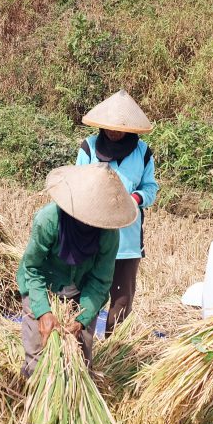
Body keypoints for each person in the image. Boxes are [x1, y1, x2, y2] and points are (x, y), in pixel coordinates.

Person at [17, 162, 138, 377]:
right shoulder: (48, 220)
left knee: (80, 360)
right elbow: (32, 268)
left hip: (82, 292)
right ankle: (34, 397)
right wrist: (43, 311)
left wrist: (82, 319)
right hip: (44, 287)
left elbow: (101, 281)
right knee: (37, 355)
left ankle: (75, 402)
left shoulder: (108, 233)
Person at [76, 89, 158, 336]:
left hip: (127, 241)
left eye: (119, 128)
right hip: (92, 237)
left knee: (122, 300)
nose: (113, 132)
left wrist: (134, 197)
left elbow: (151, 188)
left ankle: (113, 354)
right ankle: (82, 351)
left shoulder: (143, 153)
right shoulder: (89, 148)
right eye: (109, 126)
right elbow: (77, 184)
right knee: (86, 298)